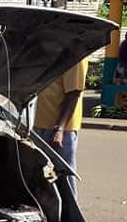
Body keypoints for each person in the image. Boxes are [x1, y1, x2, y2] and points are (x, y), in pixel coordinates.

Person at [34, 59, 88, 196]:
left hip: (60, 129)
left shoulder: (75, 57)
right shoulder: (56, 53)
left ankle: (70, 209)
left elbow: (74, 94)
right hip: (40, 123)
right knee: (42, 174)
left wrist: (60, 129)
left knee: (64, 176)